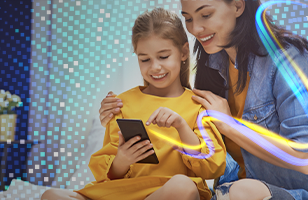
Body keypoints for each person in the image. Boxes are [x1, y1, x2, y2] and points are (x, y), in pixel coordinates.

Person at [99, 0, 308, 200]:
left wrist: (231, 126)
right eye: (188, 18)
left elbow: (303, 157)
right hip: (226, 189)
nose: (196, 29)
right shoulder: (212, 62)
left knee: (242, 192)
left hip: (282, 191)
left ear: (238, 5)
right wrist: (116, 114)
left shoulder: (286, 61)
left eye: (206, 15)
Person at [41, 7, 226, 200]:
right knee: (51, 195)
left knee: (183, 186)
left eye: (164, 56)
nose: (155, 67)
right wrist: (122, 160)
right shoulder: (121, 104)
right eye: (144, 59)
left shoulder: (199, 105)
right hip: (124, 192)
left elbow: (211, 167)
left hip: (168, 192)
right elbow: (109, 175)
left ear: (184, 52)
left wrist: (181, 126)